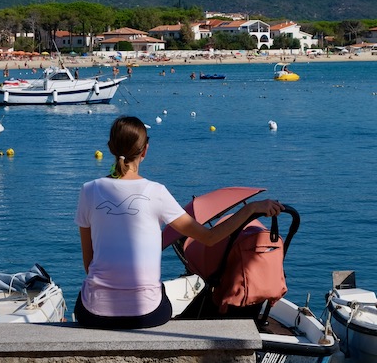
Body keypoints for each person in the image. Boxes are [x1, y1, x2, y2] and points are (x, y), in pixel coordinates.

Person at [74, 116, 281, 329]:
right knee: (162, 297)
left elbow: (89, 264)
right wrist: (251, 208)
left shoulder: (88, 191)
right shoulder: (156, 192)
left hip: (94, 313)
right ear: (145, 150)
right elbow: (210, 238)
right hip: (145, 313)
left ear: (110, 148)